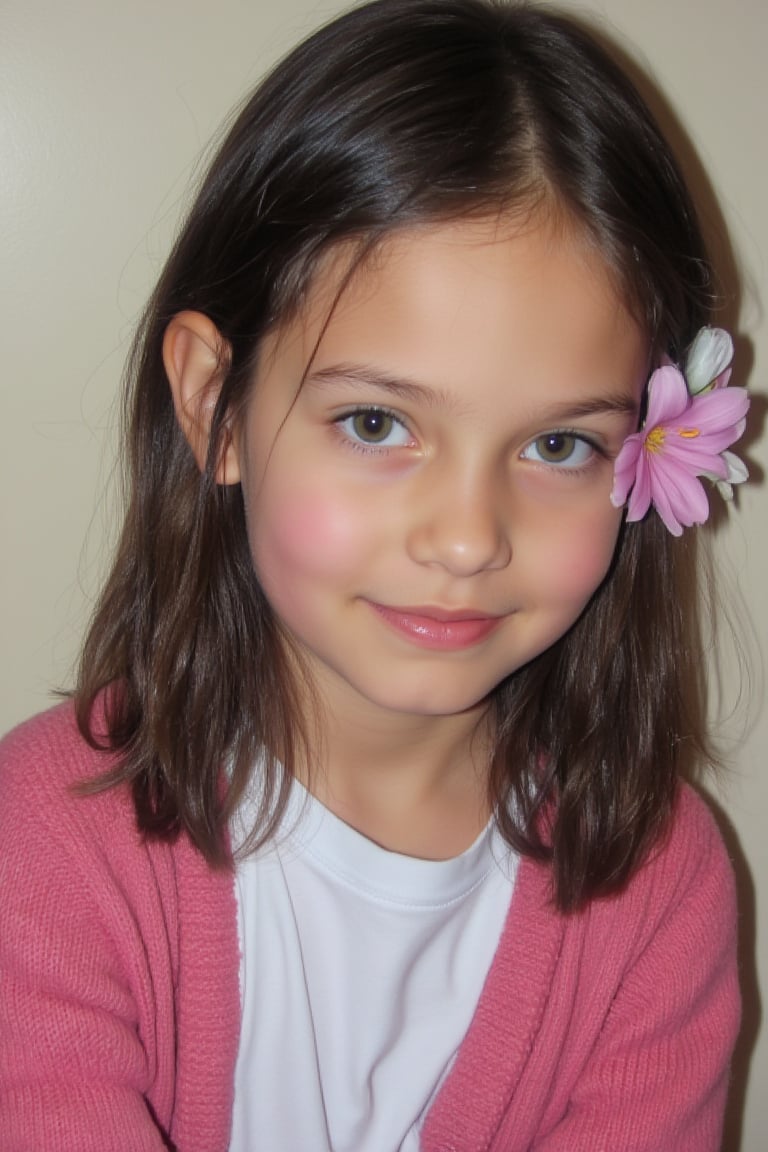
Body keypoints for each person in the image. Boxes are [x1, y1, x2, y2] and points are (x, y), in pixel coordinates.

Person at [0, 1, 748, 1148]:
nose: (464, 539)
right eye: (375, 422)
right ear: (216, 406)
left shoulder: (659, 889)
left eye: (560, 445)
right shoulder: (41, 854)